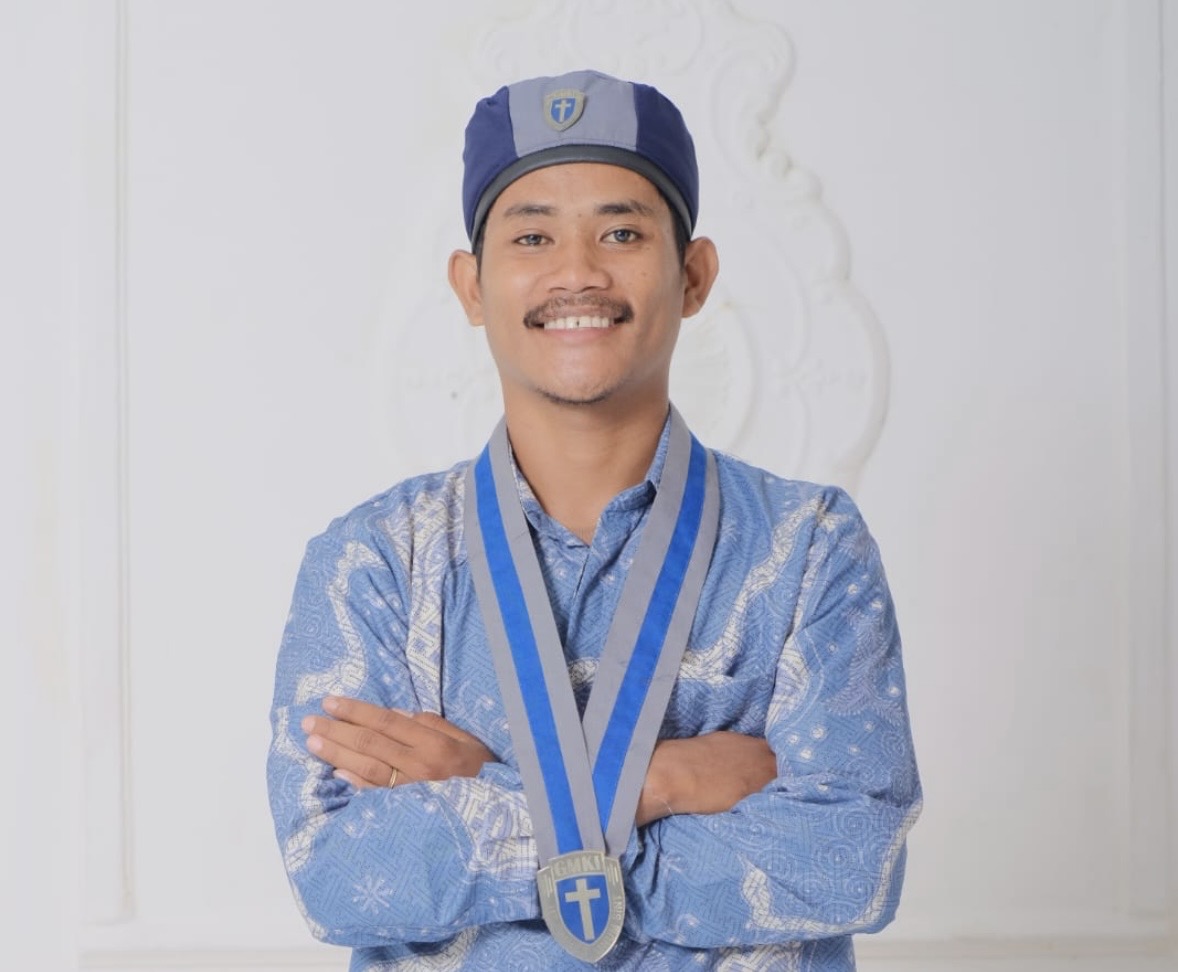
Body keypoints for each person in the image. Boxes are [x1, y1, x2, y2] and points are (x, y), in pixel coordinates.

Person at [267, 68, 921, 971]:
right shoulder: (373, 563)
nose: (576, 272)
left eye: (621, 232)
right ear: (471, 286)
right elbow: (334, 872)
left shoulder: (809, 547)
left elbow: (850, 859)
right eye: (532, 235)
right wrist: (662, 784)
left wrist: (477, 794)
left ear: (693, 276)